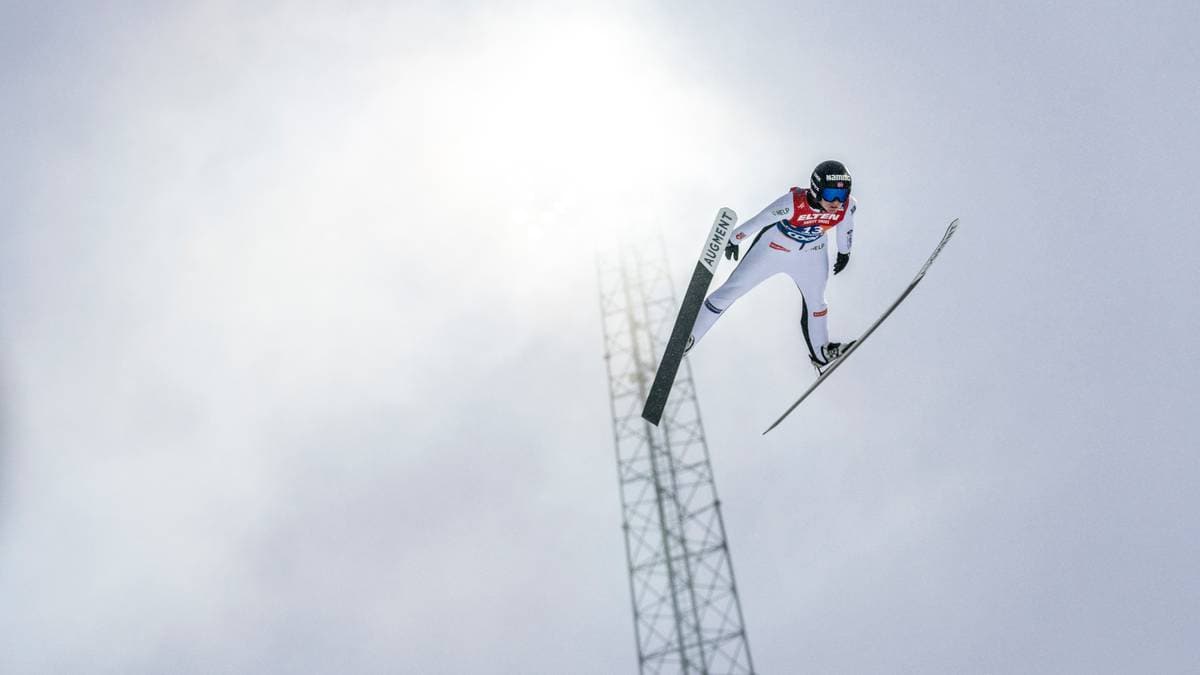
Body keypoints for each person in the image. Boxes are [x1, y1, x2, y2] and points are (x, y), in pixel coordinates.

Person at [686, 160, 858, 368]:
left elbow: (846, 225)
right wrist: (734, 238)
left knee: (817, 303)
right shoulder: (792, 203)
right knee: (731, 291)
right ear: (816, 189)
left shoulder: (847, 206)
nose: (837, 203)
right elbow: (761, 220)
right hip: (775, 248)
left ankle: (822, 352)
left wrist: (844, 252)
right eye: (831, 195)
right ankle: (688, 338)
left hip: (812, 253)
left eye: (842, 195)